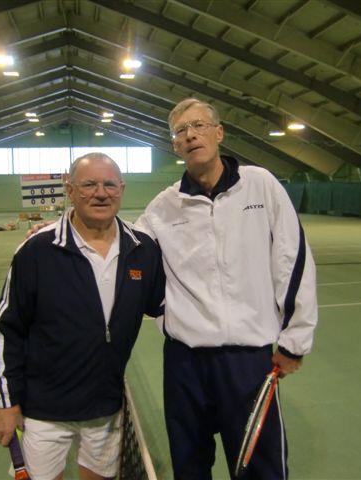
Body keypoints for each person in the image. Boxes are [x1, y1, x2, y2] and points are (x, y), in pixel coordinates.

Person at [132, 98, 318, 479]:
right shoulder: (163, 207)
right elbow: (127, 252)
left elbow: (293, 258)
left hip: (247, 361)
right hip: (184, 362)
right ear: (175, 145)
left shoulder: (260, 185)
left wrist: (294, 340)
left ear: (219, 133)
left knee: (258, 466)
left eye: (199, 125)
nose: (191, 135)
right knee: (190, 466)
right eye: (181, 130)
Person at [0, 153, 165, 480]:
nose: (101, 193)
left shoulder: (143, 250)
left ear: (121, 189)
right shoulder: (37, 250)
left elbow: (168, 306)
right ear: (70, 190)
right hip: (44, 411)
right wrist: (5, 401)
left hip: (105, 408)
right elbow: (6, 330)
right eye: (89, 184)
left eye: (109, 184)